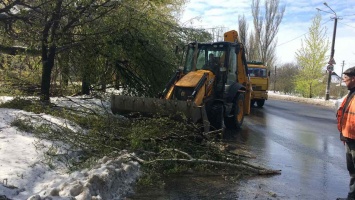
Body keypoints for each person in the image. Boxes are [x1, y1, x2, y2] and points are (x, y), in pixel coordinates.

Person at [337, 66, 355, 200]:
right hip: (348, 138)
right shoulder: (350, 94)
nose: (344, 81)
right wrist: (343, 134)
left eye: (346, 79)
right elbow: (345, 115)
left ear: (353, 79)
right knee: (352, 170)